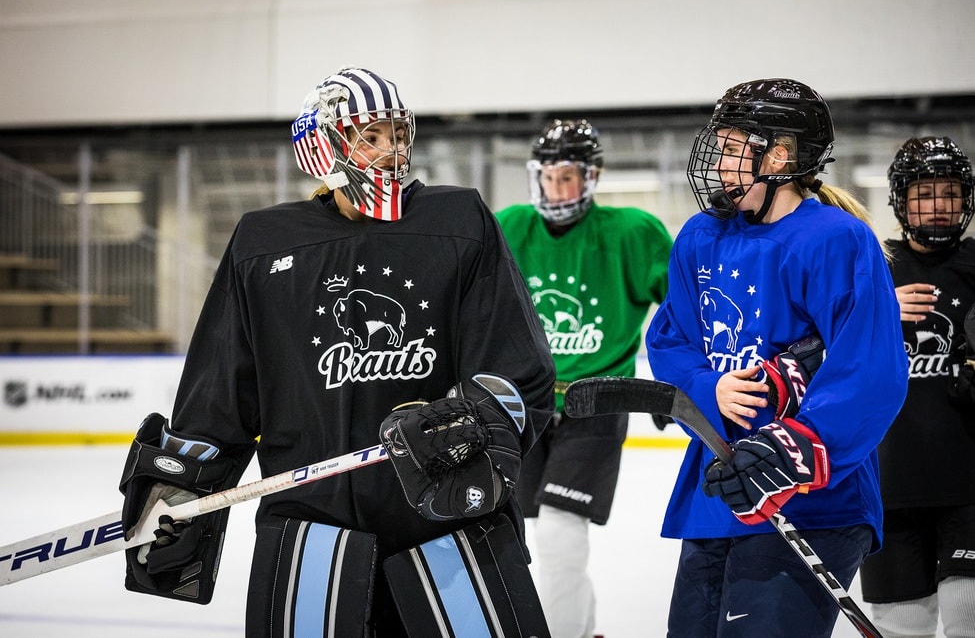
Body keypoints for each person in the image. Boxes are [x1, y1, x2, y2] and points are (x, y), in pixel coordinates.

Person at [116, 66, 556, 636]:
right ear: (324, 143)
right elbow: (222, 390)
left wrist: (474, 422)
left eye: (397, 134)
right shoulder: (263, 242)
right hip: (312, 536)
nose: (391, 150)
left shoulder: (460, 221)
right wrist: (180, 485)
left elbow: (519, 368)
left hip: (447, 522)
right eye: (369, 136)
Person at [645, 78, 909, 637]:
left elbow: (870, 368)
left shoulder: (836, 239)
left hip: (813, 500)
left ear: (779, 156)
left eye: (733, 147)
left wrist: (795, 449)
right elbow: (671, 339)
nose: (719, 165)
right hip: (720, 492)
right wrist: (705, 388)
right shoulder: (700, 237)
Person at [495, 119, 672, 637]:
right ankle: (585, 629)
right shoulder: (510, 226)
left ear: (592, 177)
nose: (558, 188)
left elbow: (683, 311)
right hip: (524, 405)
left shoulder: (632, 232)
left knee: (559, 530)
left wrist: (672, 381)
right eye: (549, 177)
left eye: (568, 176)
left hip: (598, 400)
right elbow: (476, 309)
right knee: (539, 535)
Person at [858, 136, 975, 638]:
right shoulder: (873, 265)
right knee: (900, 625)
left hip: (969, 483)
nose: (938, 206)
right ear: (900, 200)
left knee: (968, 610)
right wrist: (879, 309)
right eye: (924, 194)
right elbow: (825, 341)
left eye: (948, 193)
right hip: (889, 484)